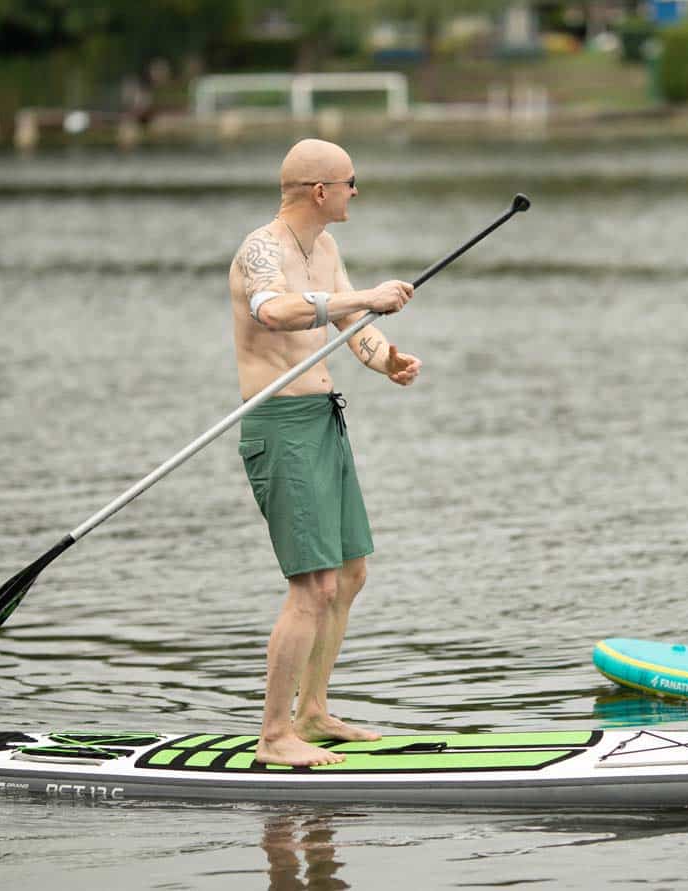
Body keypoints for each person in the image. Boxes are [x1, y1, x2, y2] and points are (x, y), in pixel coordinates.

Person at [229, 138, 420, 765]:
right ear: (321, 190)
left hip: (323, 419)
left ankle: (311, 714)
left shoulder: (327, 248)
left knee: (349, 574)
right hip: (279, 425)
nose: (355, 192)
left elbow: (350, 328)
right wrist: (364, 296)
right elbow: (277, 313)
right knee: (311, 585)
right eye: (350, 182)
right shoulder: (261, 249)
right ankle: (273, 735)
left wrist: (385, 360)